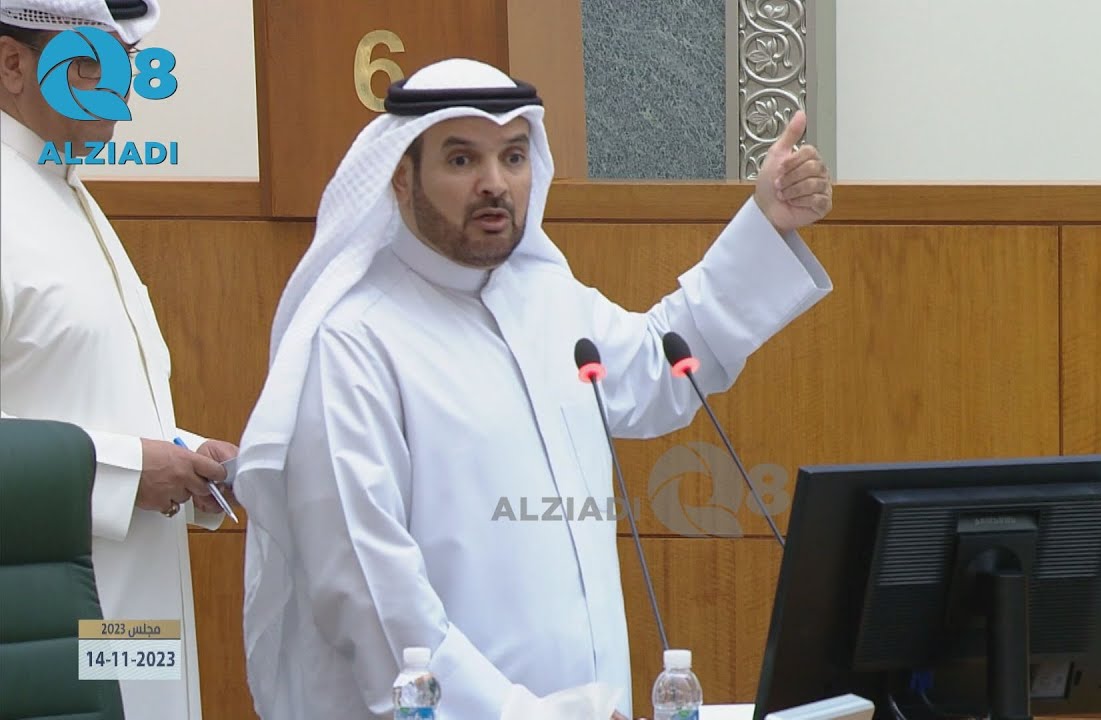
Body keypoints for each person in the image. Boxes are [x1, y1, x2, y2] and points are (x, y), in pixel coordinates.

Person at [235, 58, 834, 720]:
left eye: (514, 157)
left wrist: (767, 221)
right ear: (401, 177)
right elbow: (374, 598)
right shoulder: (354, 343)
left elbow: (661, 366)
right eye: (461, 160)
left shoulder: (547, 297)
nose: (495, 183)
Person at [0, 2, 239, 718]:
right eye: (87, 64)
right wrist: (130, 471)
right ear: (12, 65)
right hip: (37, 639)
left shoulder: (61, 190)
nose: (115, 87)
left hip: (125, 620)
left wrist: (184, 457)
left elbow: (75, 396)